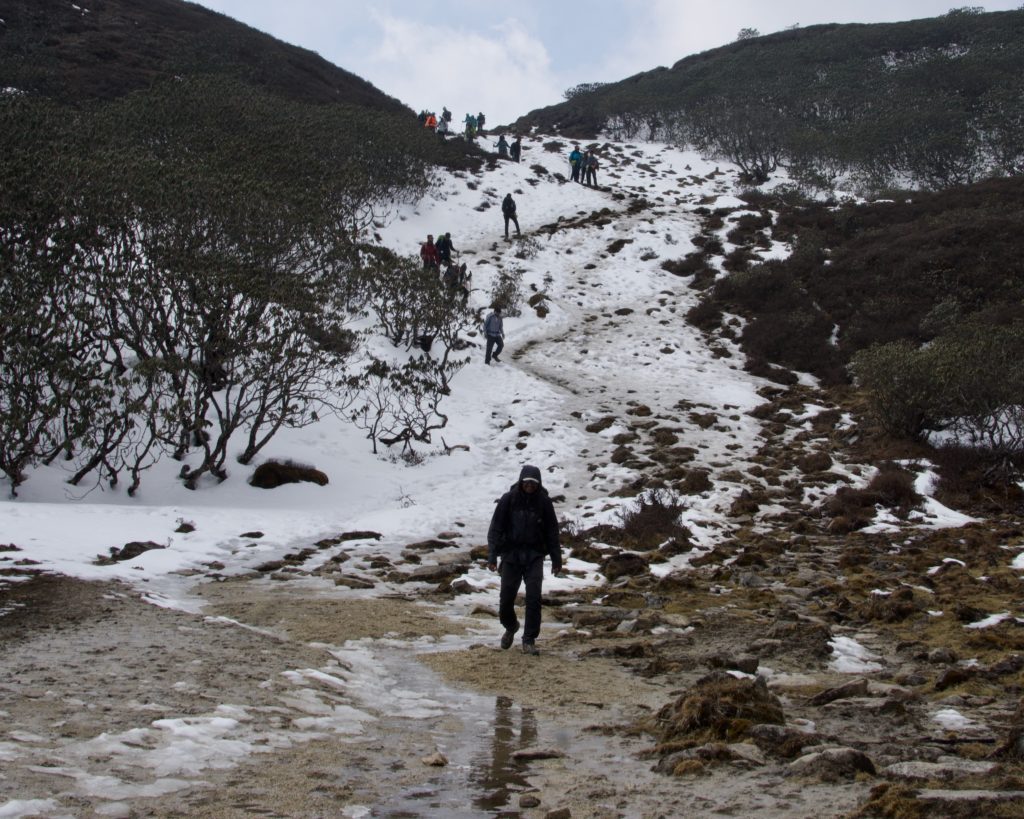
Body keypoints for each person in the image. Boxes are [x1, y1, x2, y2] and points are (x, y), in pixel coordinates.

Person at [487, 464, 563, 655]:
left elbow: (552, 532)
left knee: (533, 598)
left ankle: (529, 640)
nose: (530, 485)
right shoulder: (508, 500)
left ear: (539, 484)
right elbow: (495, 529)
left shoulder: (544, 503)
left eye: (534, 483)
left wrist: (556, 559)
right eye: (527, 482)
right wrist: (492, 556)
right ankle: (511, 626)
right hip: (511, 555)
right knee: (505, 600)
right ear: (521, 481)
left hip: (534, 556)